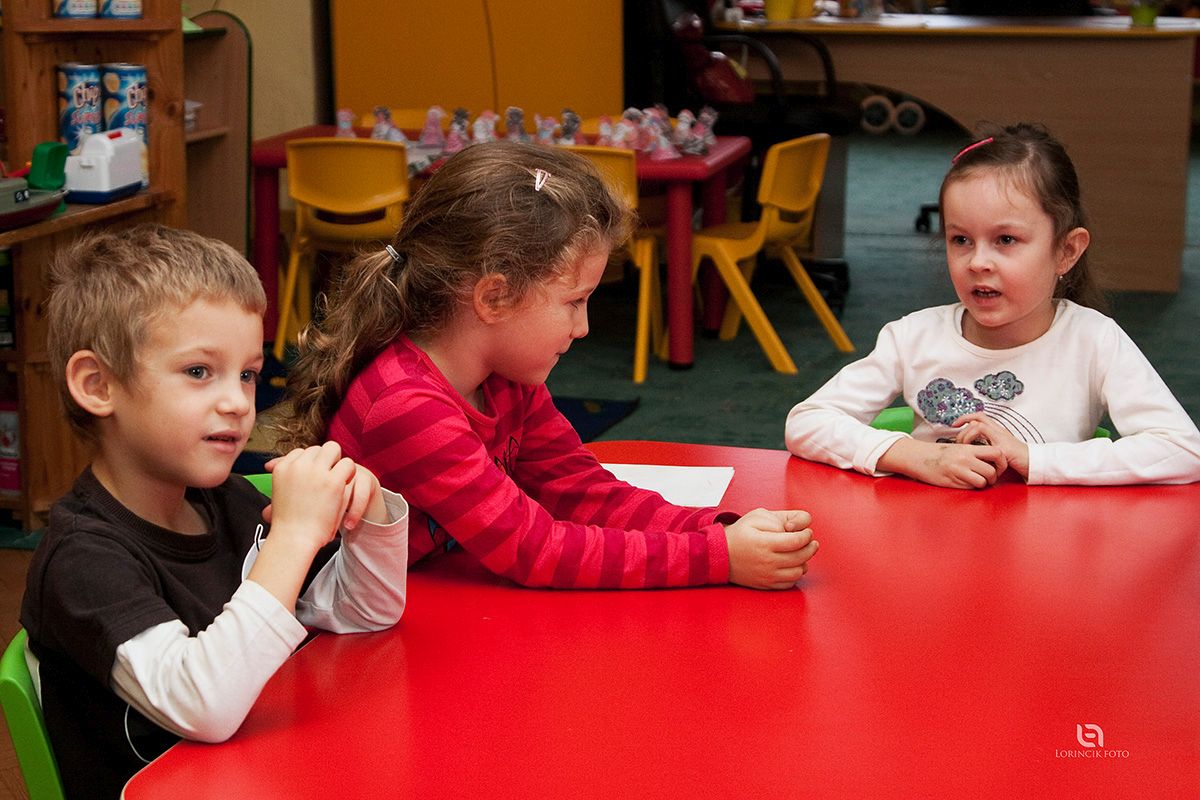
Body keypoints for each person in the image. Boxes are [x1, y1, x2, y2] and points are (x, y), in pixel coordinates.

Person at [275, 140, 818, 590]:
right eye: (574, 302)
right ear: (494, 297)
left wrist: (720, 529)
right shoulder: (407, 405)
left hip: (432, 602)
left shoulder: (505, 379)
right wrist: (718, 557)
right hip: (348, 638)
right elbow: (533, 550)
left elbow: (581, 491)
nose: (583, 328)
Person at [20, 224, 409, 799]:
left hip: (263, 771)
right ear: (98, 385)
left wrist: (370, 512)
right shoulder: (83, 559)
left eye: (247, 374)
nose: (237, 403)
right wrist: (293, 536)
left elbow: (365, 612)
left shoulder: (229, 502)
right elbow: (204, 705)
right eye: (199, 372)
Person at [786, 122, 1200, 488]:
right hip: (933, 536)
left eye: (1005, 240)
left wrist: (1033, 459)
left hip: (1043, 541)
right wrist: (917, 456)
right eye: (961, 240)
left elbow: (1182, 449)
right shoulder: (912, 337)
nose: (978, 262)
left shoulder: (1093, 341)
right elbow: (807, 422)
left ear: (1066, 251)